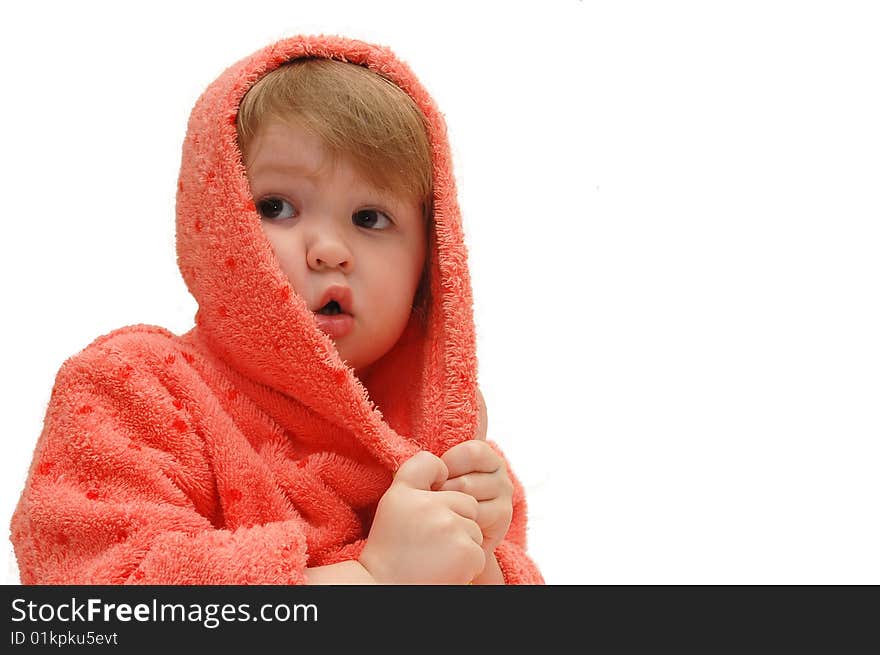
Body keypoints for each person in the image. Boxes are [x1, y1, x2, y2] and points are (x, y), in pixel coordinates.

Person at [10, 35, 543, 585]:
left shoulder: (442, 437)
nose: (330, 250)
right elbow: (97, 601)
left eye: (370, 217)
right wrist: (373, 578)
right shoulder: (132, 389)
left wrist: (484, 565)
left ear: (431, 262)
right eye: (277, 207)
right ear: (217, 220)